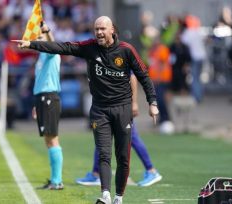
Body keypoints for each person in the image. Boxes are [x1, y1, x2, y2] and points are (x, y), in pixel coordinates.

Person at [12, 16, 159, 204]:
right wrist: (31, 44)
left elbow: (144, 76)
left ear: (112, 30)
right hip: (100, 110)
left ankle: (118, 198)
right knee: (104, 154)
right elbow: (62, 47)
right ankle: (105, 196)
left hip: (122, 110)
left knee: (123, 157)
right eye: (96, 29)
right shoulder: (89, 47)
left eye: (102, 29)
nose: (98, 32)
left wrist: (152, 103)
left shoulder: (126, 50)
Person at [76, 74, 162, 187]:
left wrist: (134, 103)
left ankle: (151, 170)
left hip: (121, 106)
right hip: (108, 105)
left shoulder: (119, 56)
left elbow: (132, 77)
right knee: (102, 138)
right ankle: (96, 173)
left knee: (132, 137)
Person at [32, 22, 64, 190]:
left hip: (49, 98)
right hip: (42, 98)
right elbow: (40, 81)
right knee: (48, 140)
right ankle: (54, 179)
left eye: (40, 37)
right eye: (36, 37)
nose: (37, 40)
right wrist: (35, 103)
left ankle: (57, 181)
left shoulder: (51, 53)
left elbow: (53, 44)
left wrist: (48, 32)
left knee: (52, 139)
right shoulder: (41, 56)